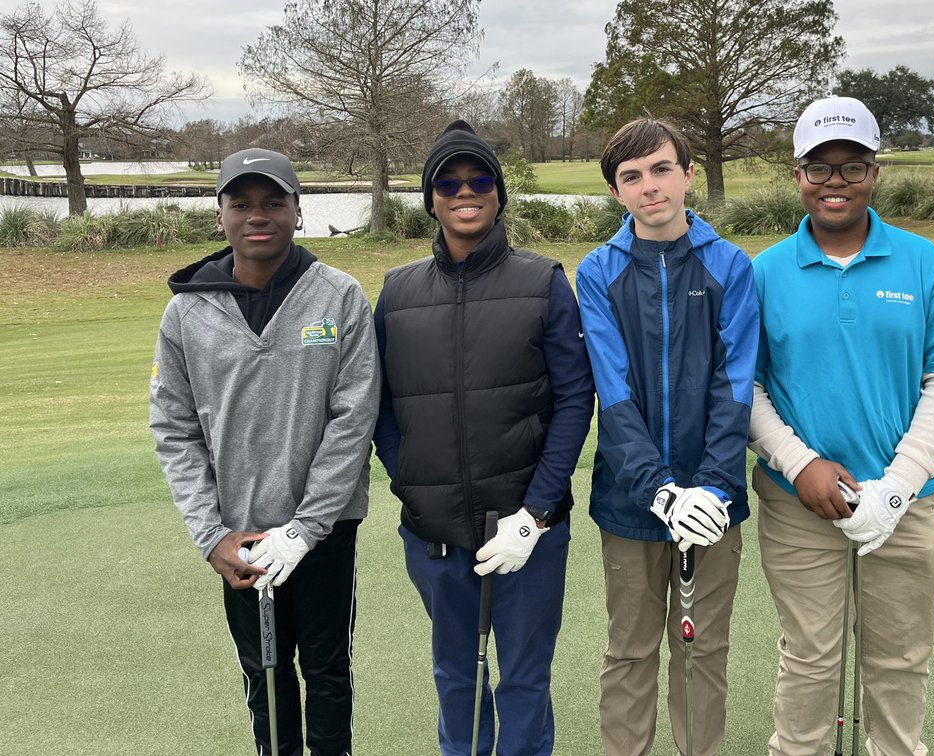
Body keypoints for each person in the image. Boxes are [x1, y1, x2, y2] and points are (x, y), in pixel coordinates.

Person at [748, 96, 934, 756]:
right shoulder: (762, 272)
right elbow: (744, 389)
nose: (835, 184)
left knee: (900, 664)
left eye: (852, 168)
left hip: (906, 504)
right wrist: (799, 464)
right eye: (819, 169)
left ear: (875, 173)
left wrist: (898, 487)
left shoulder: (924, 263)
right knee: (811, 660)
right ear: (797, 177)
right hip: (798, 504)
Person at [373, 120, 594, 756]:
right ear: (430, 198)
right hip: (434, 533)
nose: (464, 192)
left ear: (498, 193)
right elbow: (381, 405)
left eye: (478, 180)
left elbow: (576, 399)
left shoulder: (544, 281)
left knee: (525, 681)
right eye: (448, 182)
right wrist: (409, 482)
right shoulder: (397, 292)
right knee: (455, 680)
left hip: (530, 531)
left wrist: (537, 512)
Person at [150, 148, 381, 756]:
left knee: (329, 674)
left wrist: (306, 528)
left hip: (325, 531)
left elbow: (353, 419)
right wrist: (211, 536)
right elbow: (175, 429)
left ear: (298, 212)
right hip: (240, 537)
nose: (259, 215)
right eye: (242, 203)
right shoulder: (185, 312)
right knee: (265, 678)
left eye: (274, 202)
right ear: (220, 215)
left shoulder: (339, 297)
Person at [575, 118, 759, 756]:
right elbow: (612, 387)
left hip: (715, 505)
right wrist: (658, 489)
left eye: (660, 169)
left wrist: (708, 488)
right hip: (631, 503)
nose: (649, 186)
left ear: (687, 174)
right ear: (616, 192)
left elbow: (734, 387)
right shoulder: (598, 272)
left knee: (703, 651)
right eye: (632, 177)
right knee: (629, 651)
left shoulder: (730, 265)